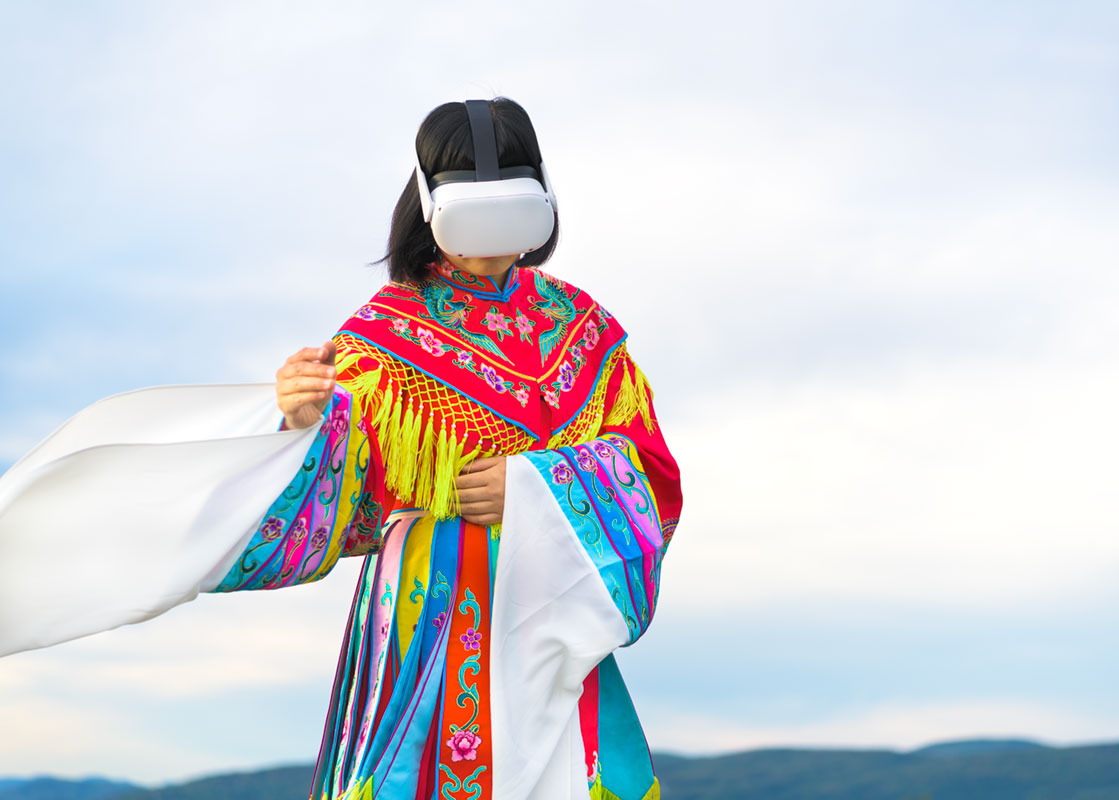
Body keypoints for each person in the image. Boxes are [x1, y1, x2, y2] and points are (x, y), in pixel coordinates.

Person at [0, 97, 681, 800]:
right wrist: (299, 420)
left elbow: (651, 479)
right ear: (427, 206)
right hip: (433, 605)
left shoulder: (587, 329)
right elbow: (345, 504)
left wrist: (537, 487)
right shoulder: (386, 334)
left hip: (555, 599)